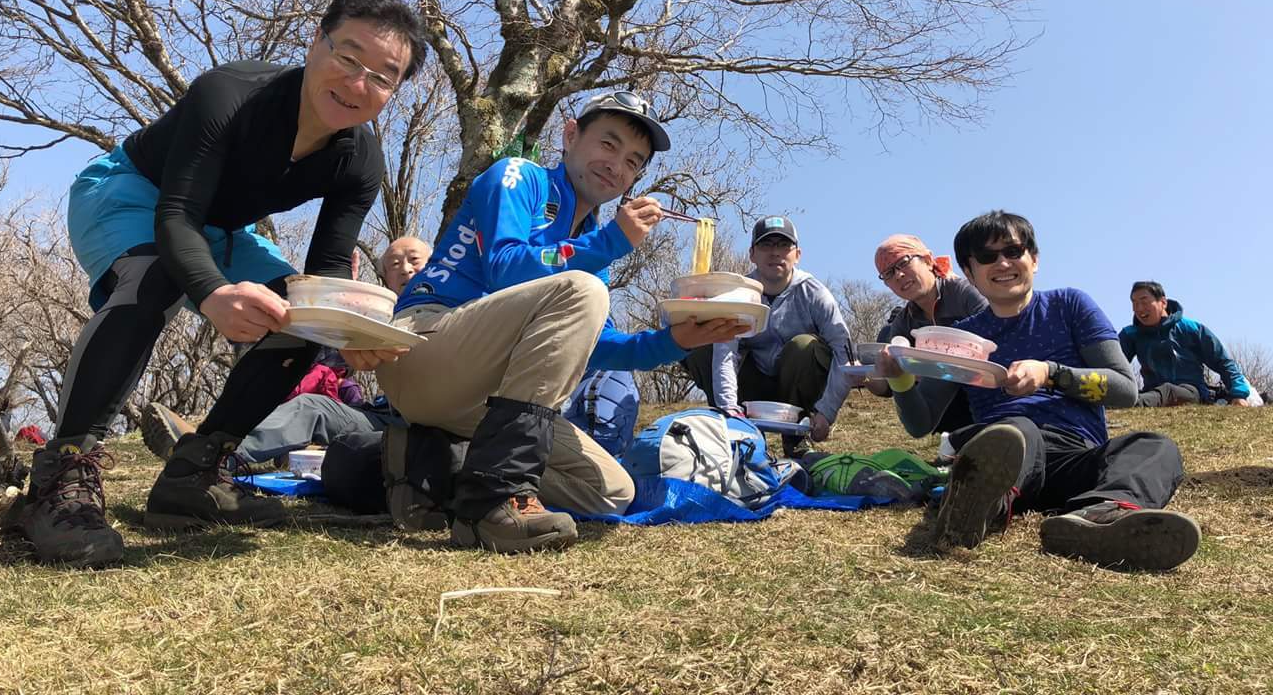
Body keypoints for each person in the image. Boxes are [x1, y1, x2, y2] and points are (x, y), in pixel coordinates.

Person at [16, 0, 425, 567]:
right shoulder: (230, 93)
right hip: (134, 192)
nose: (359, 84)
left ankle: (196, 470)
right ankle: (61, 478)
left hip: (223, 229)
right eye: (348, 57)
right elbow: (176, 217)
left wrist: (349, 330)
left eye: (382, 77)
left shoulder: (359, 158)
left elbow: (331, 267)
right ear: (315, 43)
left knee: (306, 311)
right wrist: (210, 292)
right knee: (159, 276)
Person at [360, 92, 747, 553]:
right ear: (569, 135)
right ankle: (494, 499)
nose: (617, 165)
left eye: (632, 161)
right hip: (423, 344)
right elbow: (504, 266)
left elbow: (598, 347)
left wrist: (676, 340)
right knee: (583, 289)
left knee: (611, 492)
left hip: (485, 401)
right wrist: (609, 242)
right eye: (608, 144)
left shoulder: (591, 244)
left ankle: (435, 465)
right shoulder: (519, 177)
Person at [875, 210, 1200, 571]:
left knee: (1156, 446)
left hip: (1074, 455)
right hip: (1007, 456)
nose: (1002, 263)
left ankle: (1099, 517)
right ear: (969, 272)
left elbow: (1124, 389)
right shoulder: (960, 339)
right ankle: (973, 508)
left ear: (1034, 258)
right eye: (986, 257)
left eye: (1014, 251)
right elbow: (921, 423)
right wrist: (900, 380)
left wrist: (1051, 373)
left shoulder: (1070, 306)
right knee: (1016, 431)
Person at [140, 236, 433, 465]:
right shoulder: (380, 313)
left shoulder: (457, 303)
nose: (405, 268)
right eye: (394, 264)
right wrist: (344, 303)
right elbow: (326, 357)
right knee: (310, 407)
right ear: (385, 277)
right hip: (381, 418)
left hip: (433, 424)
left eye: (414, 260)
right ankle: (207, 456)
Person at [682, 216, 857, 456]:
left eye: (784, 245)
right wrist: (728, 406)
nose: (775, 253)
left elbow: (844, 351)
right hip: (749, 387)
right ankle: (737, 434)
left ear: (798, 254)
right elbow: (725, 354)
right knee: (705, 343)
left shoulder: (815, 293)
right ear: (752, 254)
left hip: (797, 389)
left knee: (805, 346)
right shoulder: (739, 294)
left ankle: (797, 440)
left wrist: (827, 412)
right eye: (766, 245)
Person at [873, 233, 988, 434]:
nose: (898, 275)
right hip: (945, 400)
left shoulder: (963, 292)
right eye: (889, 273)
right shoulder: (903, 323)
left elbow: (999, 335)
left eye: (903, 263)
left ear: (927, 260)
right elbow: (892, 393)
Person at [1119, 281, 1254, 407]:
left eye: (1144, 302)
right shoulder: (1130, 334)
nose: (1139, 308)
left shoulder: (1190, 328)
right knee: (1157, 392)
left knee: (1168, 390)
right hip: (1152, 392)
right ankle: (1135, 401)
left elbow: (1223, 361)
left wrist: (1238, 394)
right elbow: (1112, 365)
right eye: (1135, 304)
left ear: (1163, 302)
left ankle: (1136, 403)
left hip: (1191, 391)